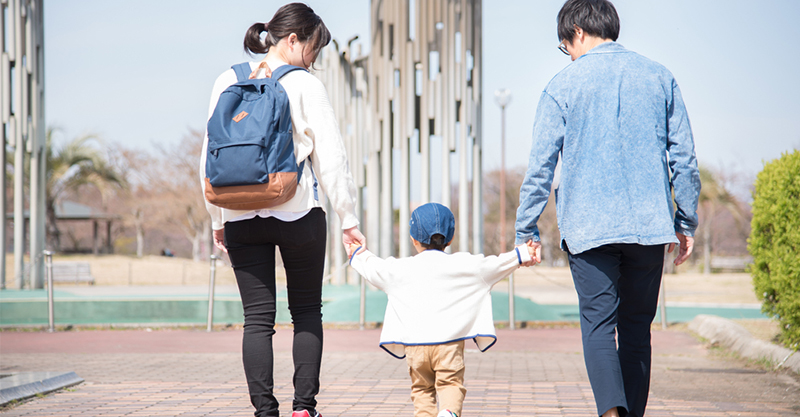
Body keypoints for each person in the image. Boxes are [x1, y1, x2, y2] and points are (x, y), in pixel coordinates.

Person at [514, 1, 701, 416]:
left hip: (588, 228)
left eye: (566, 45)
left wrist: (526, 230)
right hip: (650, 227)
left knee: (598, 326)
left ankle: (610, 413)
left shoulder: (561, 86)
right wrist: (685, 221)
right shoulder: (660, 77)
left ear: (577, 31)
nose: (569, 53)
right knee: (637, 330)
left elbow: (541, 168)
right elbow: (684, 159)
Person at [199, 4, 365, 417]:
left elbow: (208, 155)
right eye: (313, 48)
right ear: (293, 39)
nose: (314, 59)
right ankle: (304, 409)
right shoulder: (304, 84)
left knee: (257, 319)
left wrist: (217, 217)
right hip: (297, 211)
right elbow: (331, 158)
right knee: (306, 311)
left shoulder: (227, 78)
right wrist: (349, 219)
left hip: (238, 212)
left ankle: (264, 411)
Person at [348, 203, 534, 417]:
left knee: (421, 389)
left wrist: (357, 254)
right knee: (450, 384)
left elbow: (374, 268)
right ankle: (448, 412)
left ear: (413, 239)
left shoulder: (399, 269)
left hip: (415, 346)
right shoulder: (467, 265)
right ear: (450, 238)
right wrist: (522, 253)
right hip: (449, 343)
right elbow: (497, 264)